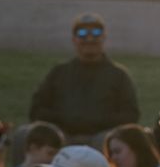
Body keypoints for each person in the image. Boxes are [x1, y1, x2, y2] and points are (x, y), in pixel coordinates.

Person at [28, 12, 140, 146]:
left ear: (104, 37)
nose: (89, 38)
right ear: (74, 39)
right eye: (82, 33)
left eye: (96, 33)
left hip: (102, 137)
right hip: (62, 135)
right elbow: (37, 109)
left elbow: (131, 114)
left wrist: (98, 122)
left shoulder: (118, 75)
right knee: (23, 135)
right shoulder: (58, 73)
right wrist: (63, 121)